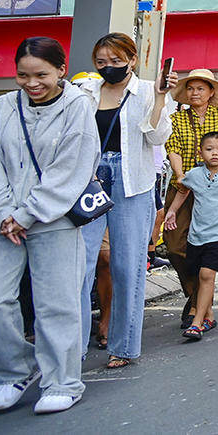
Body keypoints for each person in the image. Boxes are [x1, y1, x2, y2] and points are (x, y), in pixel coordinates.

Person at [0, 37, 99, 414]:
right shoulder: (2, 108)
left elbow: (71, 170)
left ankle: (63, 382)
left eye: (41, 74)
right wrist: (4, 211)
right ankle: (13, 371)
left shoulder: (78, 109)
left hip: (53, 220)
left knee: (57, 304)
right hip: (4, 220)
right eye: (23, 75)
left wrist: (26, 214)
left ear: (60, 69)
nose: (31, 83)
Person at [76, 33, 173, 370]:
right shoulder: (86, 92)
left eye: (116, 62)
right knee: (80, 264)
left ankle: (125, 345)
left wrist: (160, 99)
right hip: (90, 179)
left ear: (132, 60)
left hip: (132, 181)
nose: (109, 68)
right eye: (102, 62)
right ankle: (72, 348)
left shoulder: (148, 90)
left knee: (126, 265)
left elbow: (157, 136)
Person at [164, 69, 218, 328]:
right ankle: (195, 294)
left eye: (200, 88)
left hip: (215, 190)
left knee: (206, 247)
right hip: (183, 187)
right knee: (174, 245)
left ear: (211, 92)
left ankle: (199, 305)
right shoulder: (176, 119)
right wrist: (181, 175)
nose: (194, 93)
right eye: (190, 88)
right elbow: (172, 147)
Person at [163, 132, 218, 341]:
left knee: (207, 275)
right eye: (209, 149)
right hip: (196, 235)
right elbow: (183, 191)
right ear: (200, 153)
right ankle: (208, 315)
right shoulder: (194, 175)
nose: (215, 153)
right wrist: (172, 211)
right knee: (196, 274)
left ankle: (197, 323)